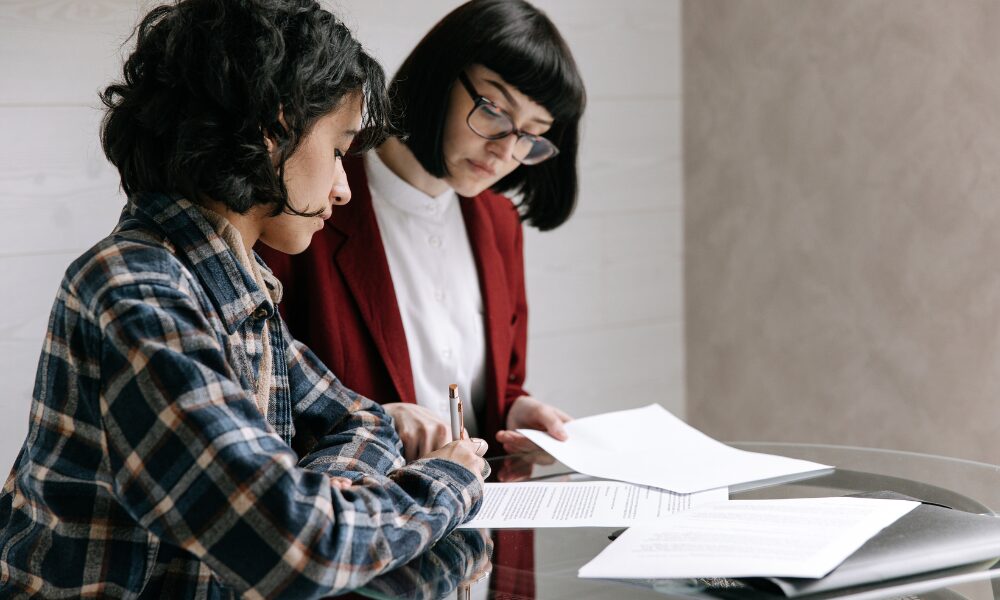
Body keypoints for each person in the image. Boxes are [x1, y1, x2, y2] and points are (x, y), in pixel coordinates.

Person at [0, 1, 487, 597]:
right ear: (273, 130)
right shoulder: (136, 293)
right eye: (337, 149)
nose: (342, 188)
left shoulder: (236, 286)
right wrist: (447, 480)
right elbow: (303, 550)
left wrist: (321, 497)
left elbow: (366, 421)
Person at [258, 0, 586, 464]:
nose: (505, 151)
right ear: (441, 75)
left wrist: (516, 410)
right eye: (494, 111)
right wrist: (376, 419)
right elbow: (262, 397)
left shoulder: (499, 222)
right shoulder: (311, 197)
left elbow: (498, 382)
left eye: (531, 136)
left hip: (485, 514)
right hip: (370, 519)